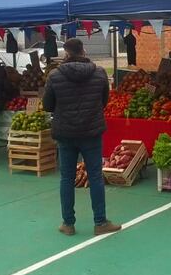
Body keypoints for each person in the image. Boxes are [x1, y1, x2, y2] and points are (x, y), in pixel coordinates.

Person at [43, 38, 120, 237]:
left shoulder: (54, 76)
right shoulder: (99, 72)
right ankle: (100, 222)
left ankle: (68, 223)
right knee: (95, 177)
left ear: (66, 53)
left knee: (66, 178)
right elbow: (104, 100)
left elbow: (48, 105)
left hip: (65, 133)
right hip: (91, 132)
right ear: (84, 51)